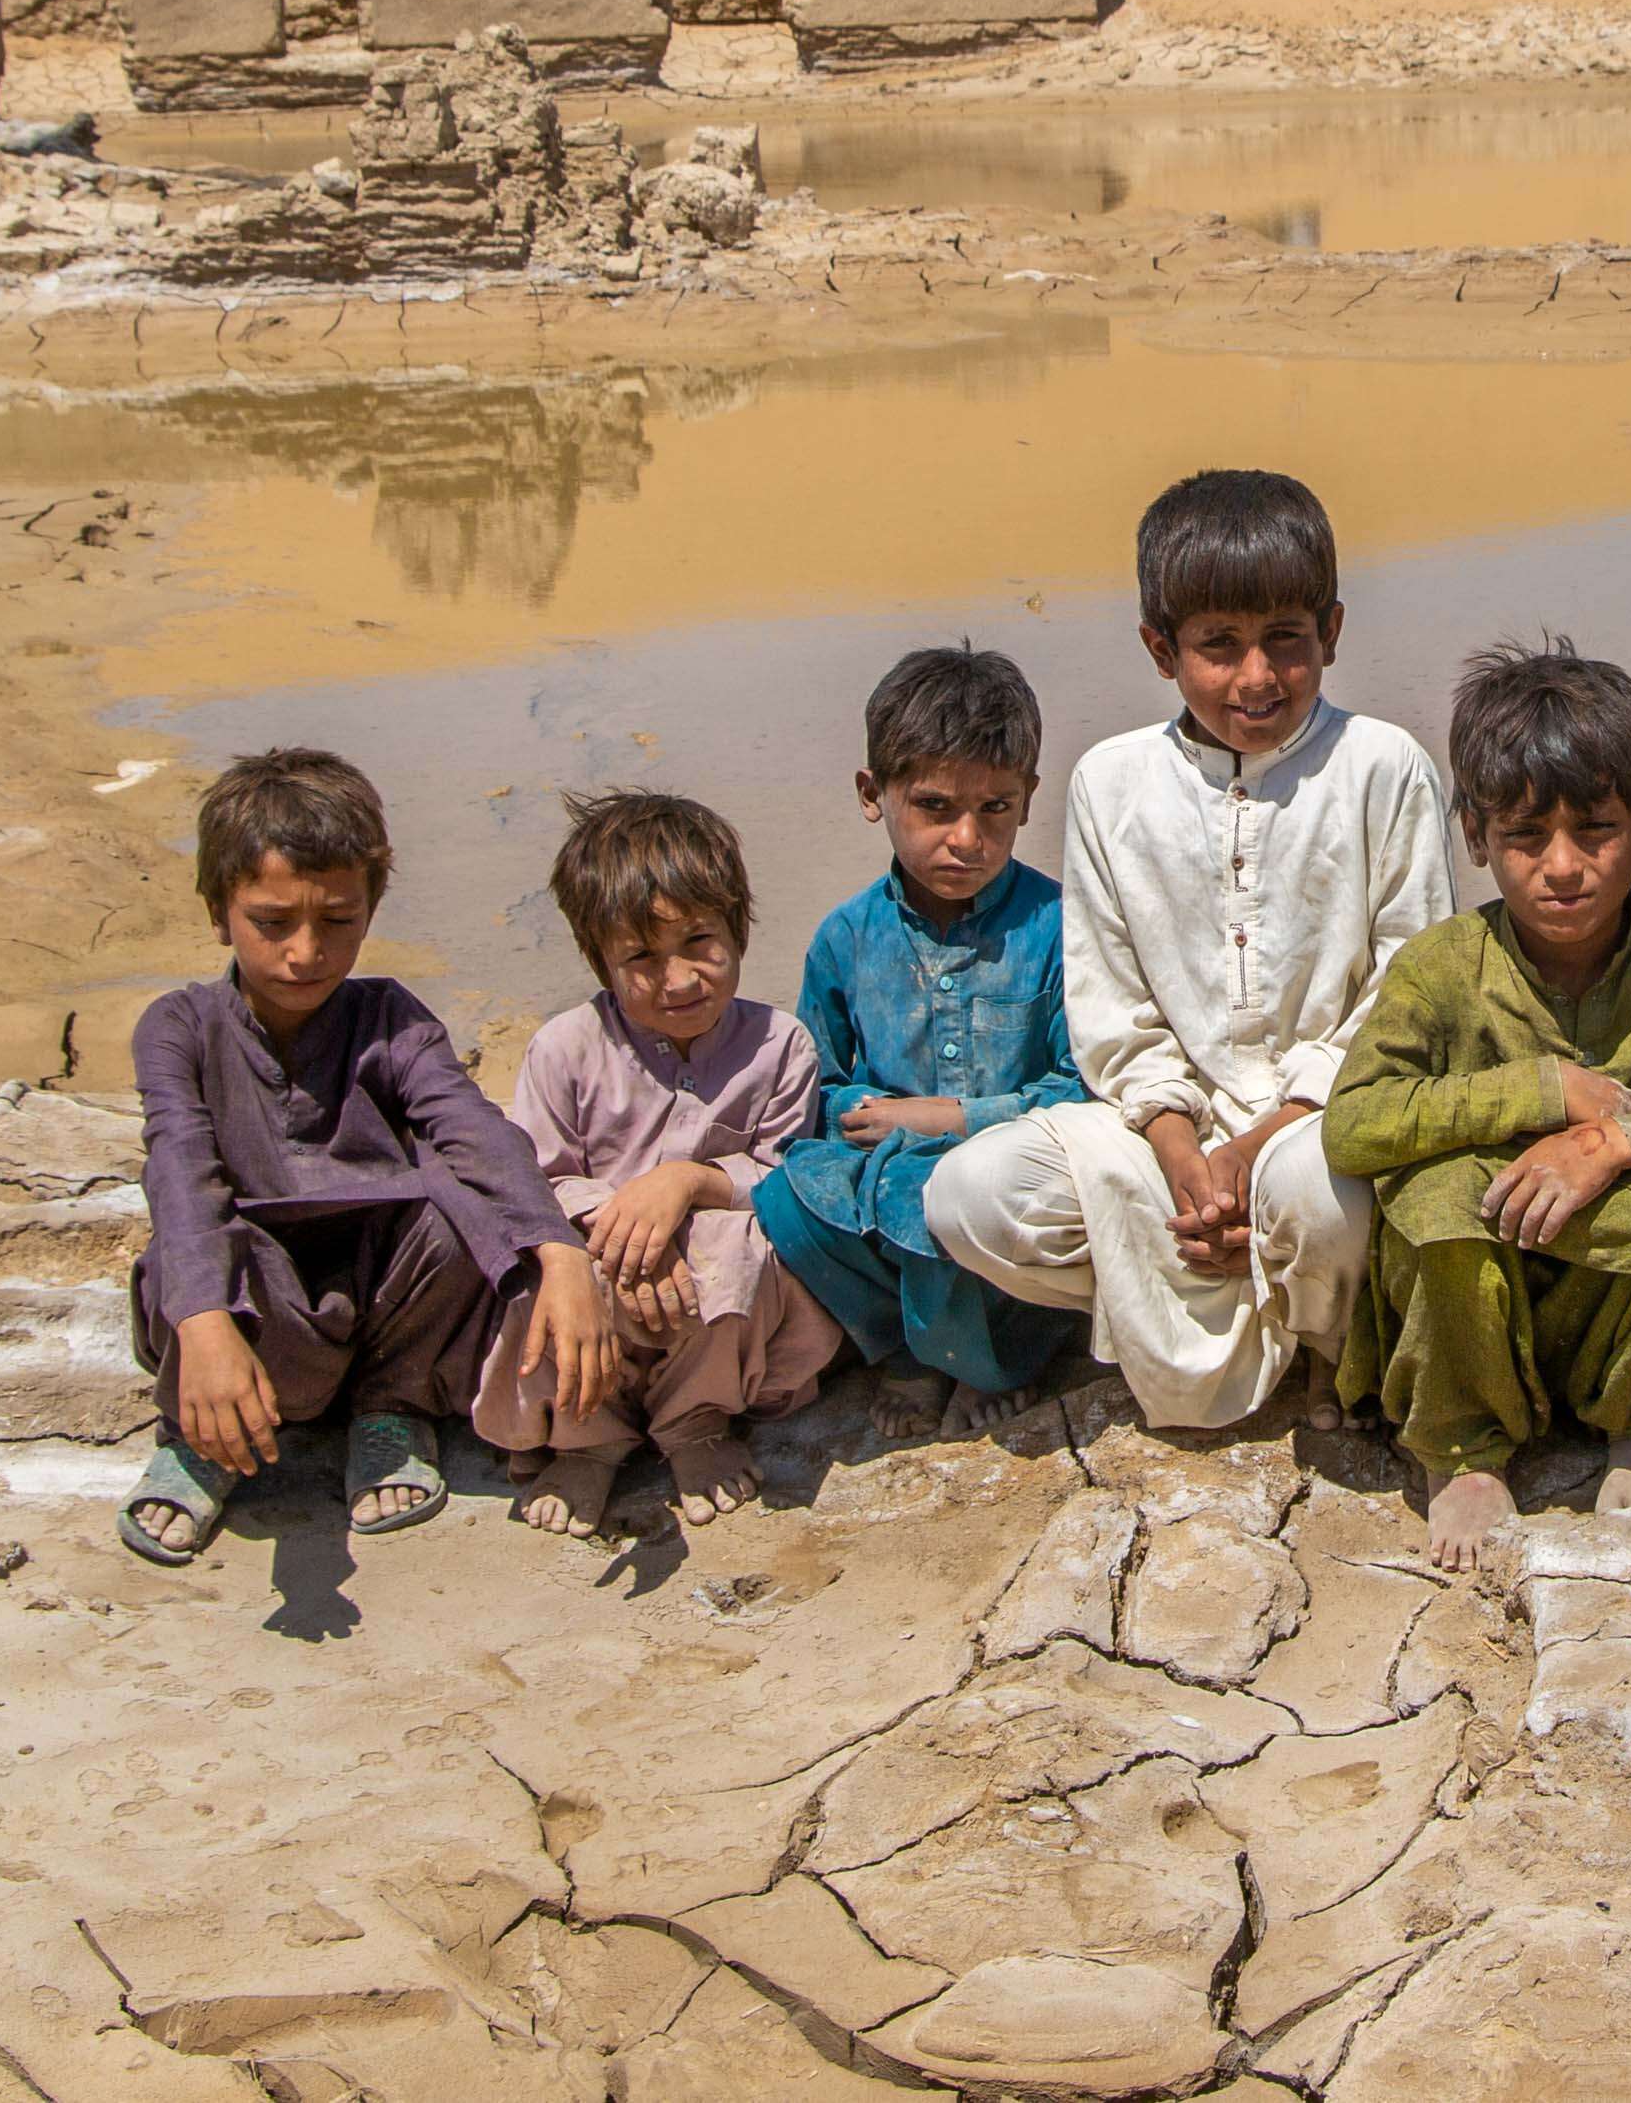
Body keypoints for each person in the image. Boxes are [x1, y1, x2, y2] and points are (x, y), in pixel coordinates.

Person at [928, 470, 1456, 1429]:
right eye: (1218, 645)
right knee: (973, 1193)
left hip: (1325, 1123)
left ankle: (1329, 1341)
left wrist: (1259, 1146)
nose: (1257, 677)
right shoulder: (1110, 782)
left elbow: (1407, 991)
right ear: (1160, 648)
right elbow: (1114, 1007)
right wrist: (1183, 1153)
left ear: (1331, 632)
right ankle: (1222, 1292)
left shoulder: (1386, 768)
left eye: (1285, 640)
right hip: (1165, 1141)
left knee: (1322, 1201)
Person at [1327, 641, 1631, 1570]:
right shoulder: (1439, 968)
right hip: (1483, 1281)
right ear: (1475, 836)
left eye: (1595, 830)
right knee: (1433, 1202)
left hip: (1619, 1283)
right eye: (1525, 838)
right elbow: (1353, 1121)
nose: (1563, 867)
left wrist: (1618, 1142)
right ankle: (1463, 1447)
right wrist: (1539, 1089)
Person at [120, 748, 579, 1564]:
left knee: (457, 1205)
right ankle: (200, 1432)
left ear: (371, 907)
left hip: (381, 1299)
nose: (306, 952)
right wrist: (205, 1325)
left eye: (337, 921)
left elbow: (473, 1127)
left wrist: (561, 1252)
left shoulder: (390, 1015)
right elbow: (181, 1171)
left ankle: (391, 1405)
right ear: (217, 909)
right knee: (193, 1249)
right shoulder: (179, 1026)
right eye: (273, 922)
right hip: (252, 1300)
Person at [475, 793, 848, 1536]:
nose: (678, 979)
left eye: (700, 940)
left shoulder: (781, 1047)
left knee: (745, 1246)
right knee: (542, 1276)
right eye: (641, 957)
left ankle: (696, 1422)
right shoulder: (565, 1048)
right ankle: (588, 1437)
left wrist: (686, 1184)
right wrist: (619, 1230)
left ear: (739, 928)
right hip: (600, 1267)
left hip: (713, 1302)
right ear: (599, 959)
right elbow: (536, 1179)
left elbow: (782, 1173)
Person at [756, 647, 1095, 1432]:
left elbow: (1082, 1083)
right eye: (936, 807)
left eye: (996, 808)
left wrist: (952, 1120)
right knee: (785, 1199)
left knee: (957, 1199)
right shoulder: (844, 937)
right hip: (884, 1160)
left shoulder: (1060, 928)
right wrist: (874, 1117)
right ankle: (907, 1351)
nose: (967, 838)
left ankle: (992, 1361)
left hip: (1012, 1163)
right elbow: (823, 1078)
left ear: (1029, 798)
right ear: (874, 794)